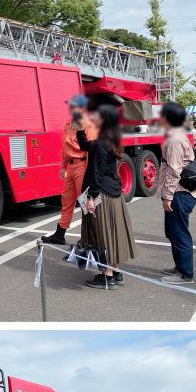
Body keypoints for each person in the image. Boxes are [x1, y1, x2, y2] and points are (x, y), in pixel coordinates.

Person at [78, 104, 136, 291]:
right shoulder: (112, 139)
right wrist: (79, 130)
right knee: (112, 233)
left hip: (102, 193)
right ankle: (115, 272)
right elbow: (87, 146)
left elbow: (97, 173)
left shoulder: (102, 143)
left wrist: (90, 198)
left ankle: (107, 277)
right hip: (113, 193)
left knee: (103, 235)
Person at [42, 94, 98, 245]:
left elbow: (92, 151)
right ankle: (60, 234)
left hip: (82, 165)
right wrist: (63, 166)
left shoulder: (88, 124)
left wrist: (89, 173)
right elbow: (64, 147)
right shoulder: (69, 123)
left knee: (86, 202)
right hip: (71, 166)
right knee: (66, 201)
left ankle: (89, 237)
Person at [158, 102, 196, 286]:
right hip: (180, 193)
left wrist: (167, 196)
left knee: (179, 233)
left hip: (178, 194)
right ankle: (179, 266)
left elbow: (174, 171)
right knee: (173, 232)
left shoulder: (174, 140)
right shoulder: (177, 136)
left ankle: (185, 273)